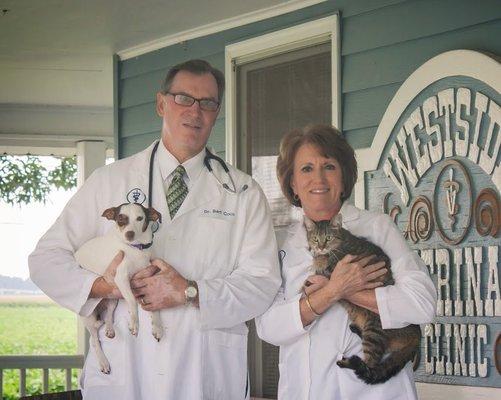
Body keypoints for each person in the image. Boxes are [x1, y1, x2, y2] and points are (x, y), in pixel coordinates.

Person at [29, 59, 281, 399]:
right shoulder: (109, 181)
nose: (195, 111)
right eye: (183, 99)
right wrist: (107, 287)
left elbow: (262, 283)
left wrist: (191, 292)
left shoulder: (244, 193)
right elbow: (45, 260)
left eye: (208, 103)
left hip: (205, 374)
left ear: (217, 112)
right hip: (126, 371)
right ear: (161, 103)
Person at [255, 124, 436, 400]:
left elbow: (422, 304)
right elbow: (268, 327)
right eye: (306, 169)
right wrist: (332, 290)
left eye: (329, 166)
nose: (319, 179)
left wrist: (353, 290)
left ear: (343, 177)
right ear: (292, 183)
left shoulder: (377, 228)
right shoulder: (279, 244)